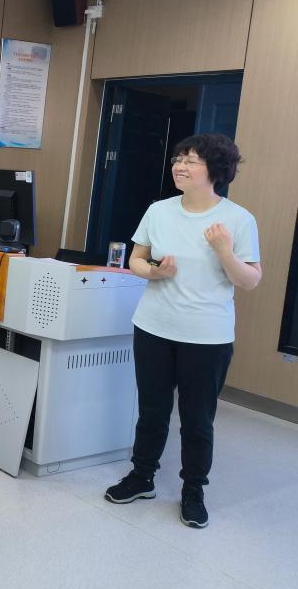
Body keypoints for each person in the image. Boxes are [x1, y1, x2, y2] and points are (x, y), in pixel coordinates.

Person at [105, 133, 261, 529]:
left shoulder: (238, 220)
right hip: (154, 327)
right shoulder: (159, 211)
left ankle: (193, 490)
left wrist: (224, 251)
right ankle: (142, 477)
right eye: (178, 158)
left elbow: (250, 280)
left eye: (191, 160)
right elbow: (136, 260)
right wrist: (154, 272)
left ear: (216, 170)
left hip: (207, 337)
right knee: (152, 410)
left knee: (197, 418)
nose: (180, 166)